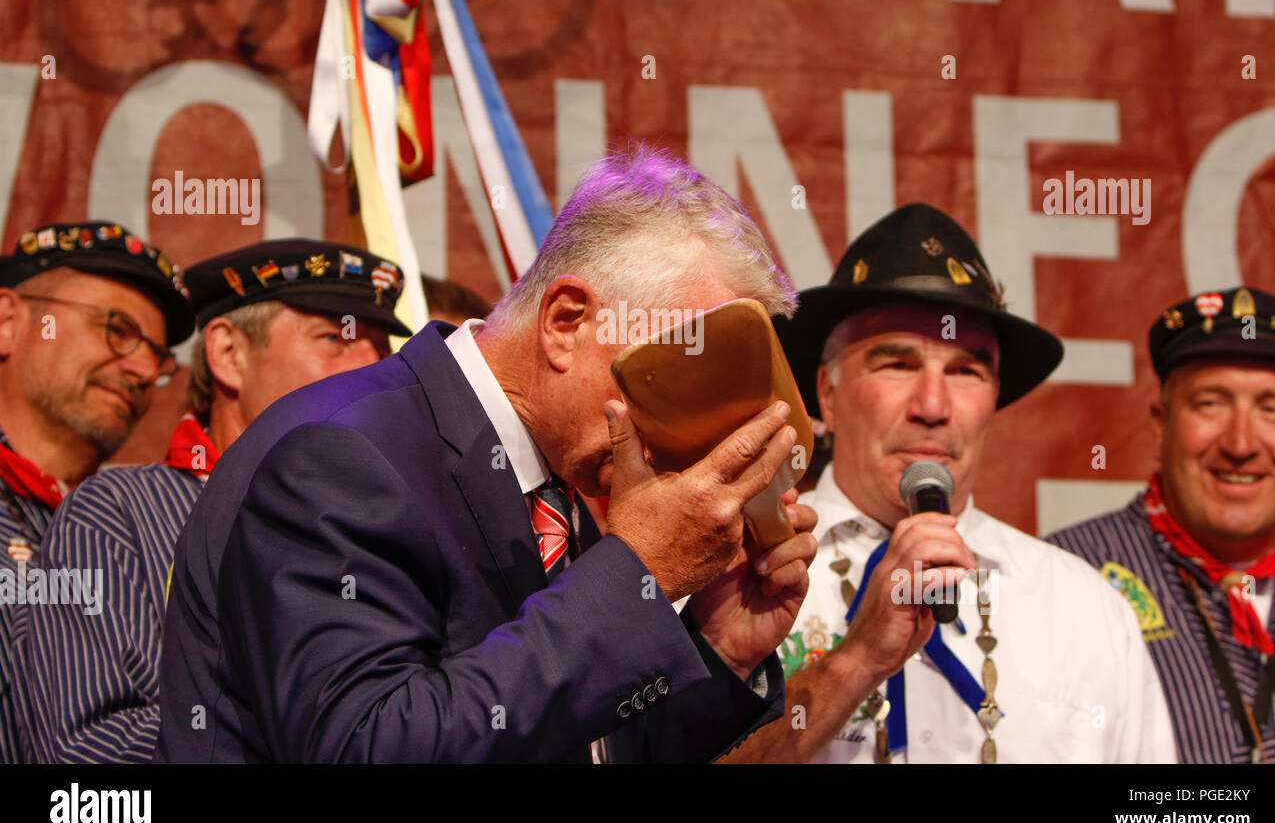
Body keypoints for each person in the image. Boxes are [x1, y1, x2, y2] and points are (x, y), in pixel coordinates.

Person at [153, 147, 819, 763]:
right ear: (565, 322)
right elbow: (366, 743)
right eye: (673, 377)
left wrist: (721, 649)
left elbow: (572, 745)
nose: (686, 434)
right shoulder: (343, 452)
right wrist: (637, 571)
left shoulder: (555, 485)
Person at [722, 203, 1177, 763]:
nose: (933, 407)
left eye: (966, 371)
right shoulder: (734, 577)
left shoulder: (1084, 608)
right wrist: (857, 658)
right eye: (898, 364)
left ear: (992, 402)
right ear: (828, 393)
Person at [14, 239, 411, 762]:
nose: (372, 364)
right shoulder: (120, 513)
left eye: (382, 349)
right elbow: (85, 753)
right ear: (228, 354)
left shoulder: (400, 530)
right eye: (334, 338)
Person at [1050, 287, 1275, 763]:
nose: (1241, 443)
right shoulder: (1063, 578)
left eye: (1272, 409)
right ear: (1161, 425)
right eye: (1211, 403)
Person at [0, 221, 192, 763]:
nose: (142, 368)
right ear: (7, 321)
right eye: (117, 328)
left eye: (158, 355)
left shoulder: (135, 532)